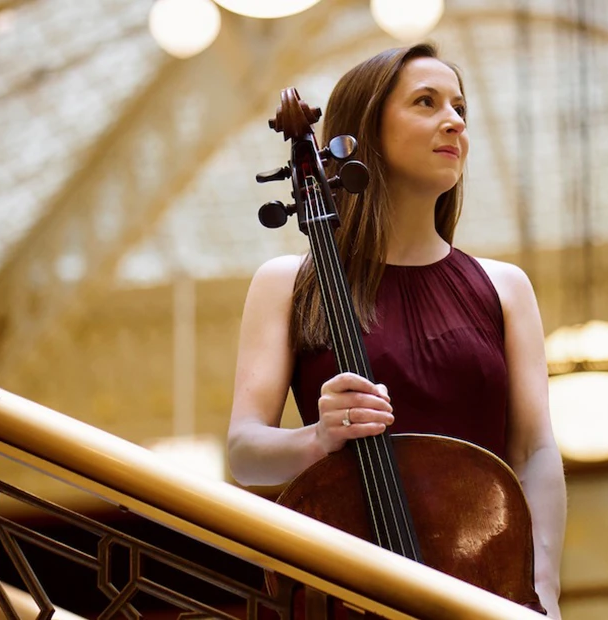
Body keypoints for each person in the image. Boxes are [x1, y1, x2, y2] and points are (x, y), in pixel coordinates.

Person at [226, 42, 566, 619]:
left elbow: (534, 451)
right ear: (364, 134)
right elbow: (244, 452)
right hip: (349, 588)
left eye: (460, 107)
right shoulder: (288, 282)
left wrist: (541, 591)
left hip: (485, 592)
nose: (454, 120)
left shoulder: (505, 287)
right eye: (426, 102)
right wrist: (318, 438)